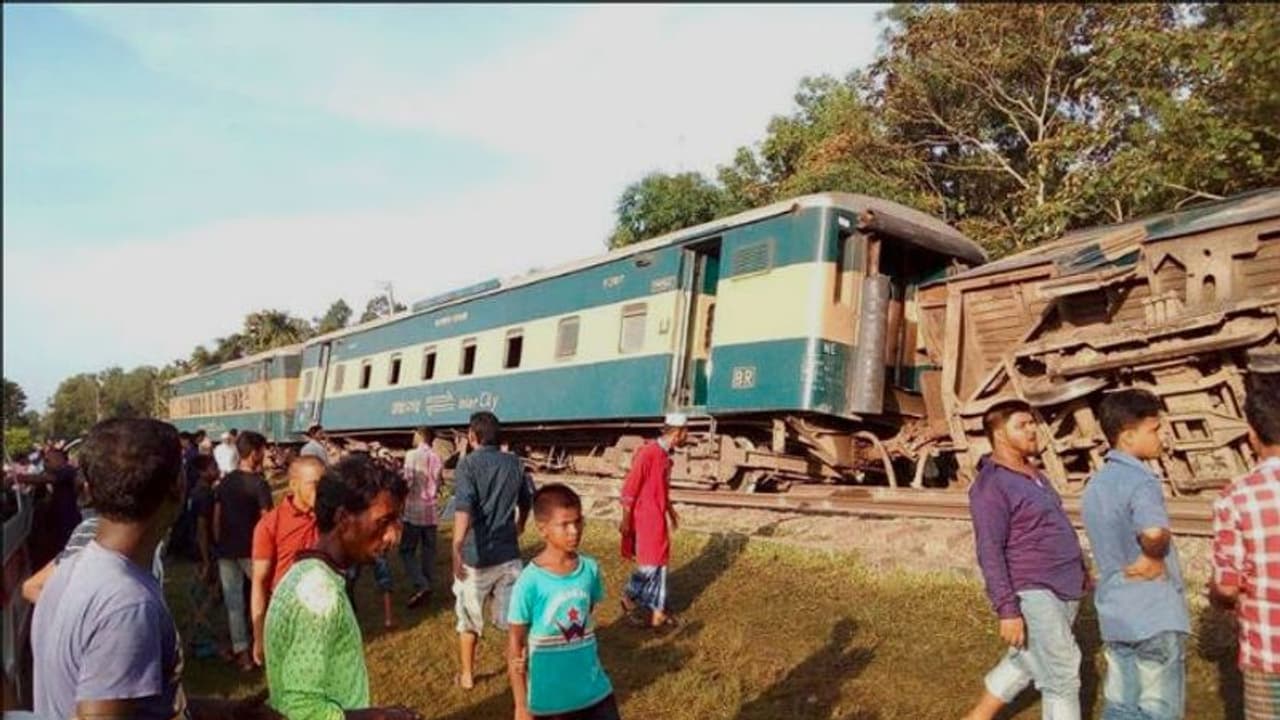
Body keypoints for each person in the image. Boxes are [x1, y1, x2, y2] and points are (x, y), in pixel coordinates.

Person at [30, 418, 277, 720]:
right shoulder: (127, 604)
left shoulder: (69, 569)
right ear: (178, 486)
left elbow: (139, 705)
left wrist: (225, 712)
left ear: (90, 488)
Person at [264, 455, 420, 720]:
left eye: (396, 522)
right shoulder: (319, 595)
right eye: (384, 522)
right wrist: (377, 717)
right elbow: (301, 709)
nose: (393, 536)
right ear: (344, 518)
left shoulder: (304, 573)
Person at [962, 400, 1090, 720]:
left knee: (1027, 657)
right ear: (999, 434)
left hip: (1064, 583)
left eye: (1032, 423)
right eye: (1022, 425)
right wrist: (1007, 608)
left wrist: (1080, 568)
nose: (1033, 429)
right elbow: (989, 551)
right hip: (1032, 587)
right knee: (1061, 674)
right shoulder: (991, 486)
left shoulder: (1033, 474)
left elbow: (1053, 525)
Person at [1082, 389, 1189, 719]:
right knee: (1158, 709)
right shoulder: (1142, 481)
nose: (1161, 436)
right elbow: (1154, 531)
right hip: (1154, 612)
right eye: (1153, 429)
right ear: (1128, 436)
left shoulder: (1096, 485)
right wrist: (1154, 556)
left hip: (1116, 613)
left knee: (1121, 706)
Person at [508, 484, 619, 720]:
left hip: (595, 691)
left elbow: (584, 613)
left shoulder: (590, 569)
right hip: (551, 703)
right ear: (543, 529)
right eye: (564, 524)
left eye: (578, 522)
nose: (574, 531)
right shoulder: (530, 582)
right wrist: (520, 705)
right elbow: (515, 643)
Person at [1210, 371, 1280, 718]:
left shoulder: (1236, 498)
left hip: (1269, 652)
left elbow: (1226, 586)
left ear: (1252, 434)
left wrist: (1219, 596)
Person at [452, 411, 534, 690]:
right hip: (509, 555)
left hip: (476, 556)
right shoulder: (515, 464)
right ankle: (519, 676)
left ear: (472, 436)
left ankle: (466, 675)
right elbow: (527, 500)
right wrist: (520, 525)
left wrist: (456, 546)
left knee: (469, 619)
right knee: (514, 621)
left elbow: (464, 506)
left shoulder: (467, 465)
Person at [250, 456, 323, 666]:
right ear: (293, 485)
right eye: (314, 484)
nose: (322, 490)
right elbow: (260, 582)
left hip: (323, 611)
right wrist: (259, 635)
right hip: (287, 616)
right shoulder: (270, 525)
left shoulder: (329, 517)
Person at [619, 413, 687, 630]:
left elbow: (662, 490)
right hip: (645, 518)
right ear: (677, 434)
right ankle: (629, 597)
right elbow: (630, 489)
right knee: (650, 565)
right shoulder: (648, 454)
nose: (687, 436)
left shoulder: (666, 458)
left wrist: (671, 511)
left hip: (657, 517)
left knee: (660, 565)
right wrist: (626, 521)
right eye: (686, 432)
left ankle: (657, 613)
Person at [214, 429, 273, 672]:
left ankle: (242, 653)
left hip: (226, 549)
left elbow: (216, 517)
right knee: (267, 596)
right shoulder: (260, 484)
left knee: (234, 604)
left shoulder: (225, 482)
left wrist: (218, 544)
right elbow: (267, 520)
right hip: (253, 550)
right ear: (255, 453)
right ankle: (268, 644)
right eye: (263, 451)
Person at [401, 426, 442, 609]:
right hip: (431, 511)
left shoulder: (411, 455)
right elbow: (439, 482)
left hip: (414, 510)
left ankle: (421, 584)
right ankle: (428, 585)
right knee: (429, 551)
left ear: (420, 436)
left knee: (407, 550)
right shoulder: (436, 456)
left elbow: (408, 482)